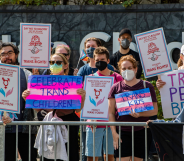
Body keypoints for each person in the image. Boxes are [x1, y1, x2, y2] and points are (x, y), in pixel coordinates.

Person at [22, 53, 86, 161]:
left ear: (66, 65)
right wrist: (28, 99)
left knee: (69, 154)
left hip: (68, 124)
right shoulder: (42, 83)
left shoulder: (72, 83)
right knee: (49, 156)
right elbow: (38, 108)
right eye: (52, 62)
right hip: (49, 124)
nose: (54, 64)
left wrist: (82, 97)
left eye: (58, 62)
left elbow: (78, 109)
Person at [108, 55, 158, 161]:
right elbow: (111, 113)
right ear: (120, 71)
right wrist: (114, 133)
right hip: (122, 131)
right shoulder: (115, 88)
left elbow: (154, 110)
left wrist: (140, 114)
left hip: (142, 131)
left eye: (130, 68)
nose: (127, 70)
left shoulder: (146, 85)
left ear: (135, 69)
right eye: (124, 68)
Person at [77, 37, 114, 161]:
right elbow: (81, 95)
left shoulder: (115, 75)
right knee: (90, 153)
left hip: (110, 122)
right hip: (92, 122)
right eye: (88, 46)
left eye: (93, 46)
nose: (90, 48)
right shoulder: (86, 73)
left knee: (108, 155)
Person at [0, 42, 37, 161]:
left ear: (16, 54)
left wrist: (29, 97)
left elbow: (36, 100)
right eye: (3, 54)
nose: (7, 56)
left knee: (29, 157)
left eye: (10, 53)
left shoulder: (27, 74)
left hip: (25, 128)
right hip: (4, 128)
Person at [85, 46, 123, 161]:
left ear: (108, 61)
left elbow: (122, 100)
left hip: (112, 124)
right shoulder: (90, 78)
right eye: (97, 60)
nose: (99, 62)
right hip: (93, 124)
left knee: (110, 156)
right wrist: (90, 117)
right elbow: (86, 101)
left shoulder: (117, 77)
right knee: (92, 157)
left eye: (102, 60)